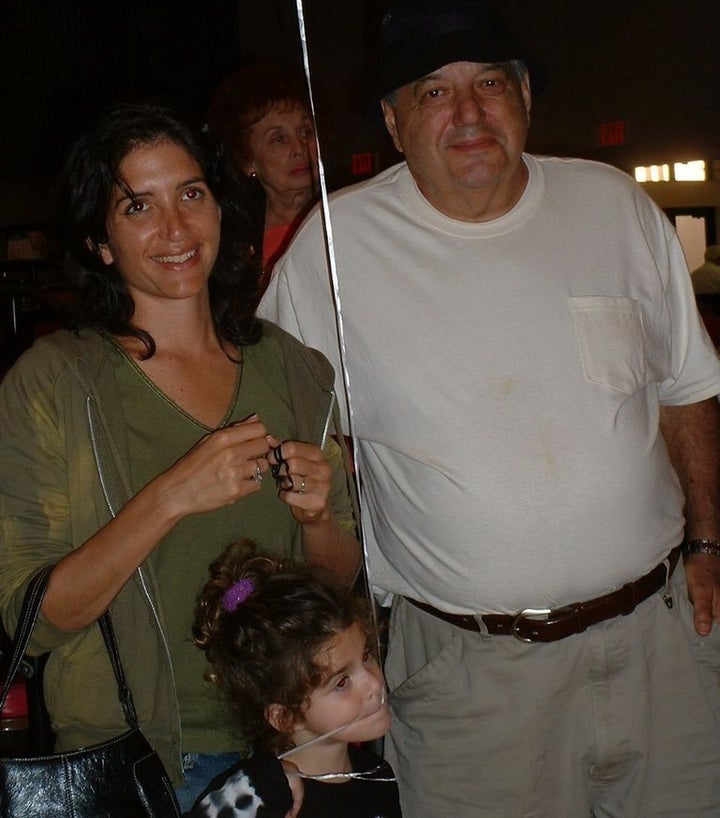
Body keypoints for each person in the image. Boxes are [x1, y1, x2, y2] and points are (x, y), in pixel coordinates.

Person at [258, 0, 720, 815]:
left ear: (528, 99)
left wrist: (709, 539)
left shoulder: (614, 207)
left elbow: (686, 387)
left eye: (491, 83)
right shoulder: (334, 250)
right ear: (395, 125)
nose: (469, 111)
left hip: (664, 646)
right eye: (434, 93)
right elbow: (280, 450)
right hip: (473, 679)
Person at [0, 101, 360, 813]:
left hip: (290, 743)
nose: (175, 229)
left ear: (220, 209)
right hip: (135, 760)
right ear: (100, 242)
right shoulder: (55, 382)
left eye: (191, 194)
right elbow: (33, 620)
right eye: (138, 206)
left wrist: (318, 518)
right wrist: (170, 497)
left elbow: (334, 583)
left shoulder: (293, 369)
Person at [186, 539, 400, 818]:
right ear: (285, 717)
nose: (373, 683)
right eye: (341, 682)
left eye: (367, 655)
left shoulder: (376, 775)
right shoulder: (261, 797)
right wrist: (257, 788)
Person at [206, 63, 319, 294]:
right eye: (278, 139)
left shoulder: (346, 213)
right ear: (247, 160)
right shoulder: (233, 243)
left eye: (306, 131)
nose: (299, 148)